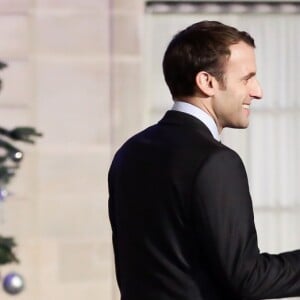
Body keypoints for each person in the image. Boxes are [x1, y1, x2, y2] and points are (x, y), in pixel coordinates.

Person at [108, 21, 300, 300]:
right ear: (207, 82)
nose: (257, 91)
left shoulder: (130, 153)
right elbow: (248, 278)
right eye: (246, 79)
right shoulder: (216, 161)